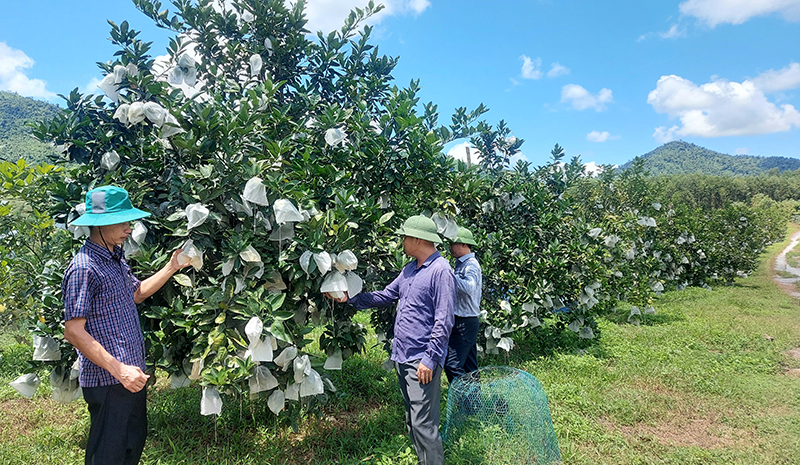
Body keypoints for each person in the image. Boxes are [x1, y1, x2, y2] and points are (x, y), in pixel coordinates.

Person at [62, 185, 189, 465]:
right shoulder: (85, 267)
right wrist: (119, 370)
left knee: (130, 449)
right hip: (110, 379)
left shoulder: (114, 259)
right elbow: (73, 331)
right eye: (122, 221)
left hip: (130, 375)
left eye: (129, 221)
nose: (129, 228)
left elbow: (136, 293)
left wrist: (171, 267)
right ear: (100, 224)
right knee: (108, 455)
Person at [324, 215, 455, 465]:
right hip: (403, 355)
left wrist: (429, 359)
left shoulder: (441, 271)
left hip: (421, 360)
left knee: (424, 424)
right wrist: (349, 298)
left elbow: (444, 320)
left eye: (405, 237)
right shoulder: (409, 269)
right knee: (412, 419)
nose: (402, 241)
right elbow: (385, 295)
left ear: (417, 239)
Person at [444, 226, 482, 384]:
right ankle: (475, 404)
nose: (450, 247)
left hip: (465, 321)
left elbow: (469, 287)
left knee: (452, 364)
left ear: (465, 245)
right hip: (462, 320)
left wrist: (447, 275)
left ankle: (463, 399)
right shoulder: (460, 264)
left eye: (453, 244)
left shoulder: (471, 264)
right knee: (469, 366)